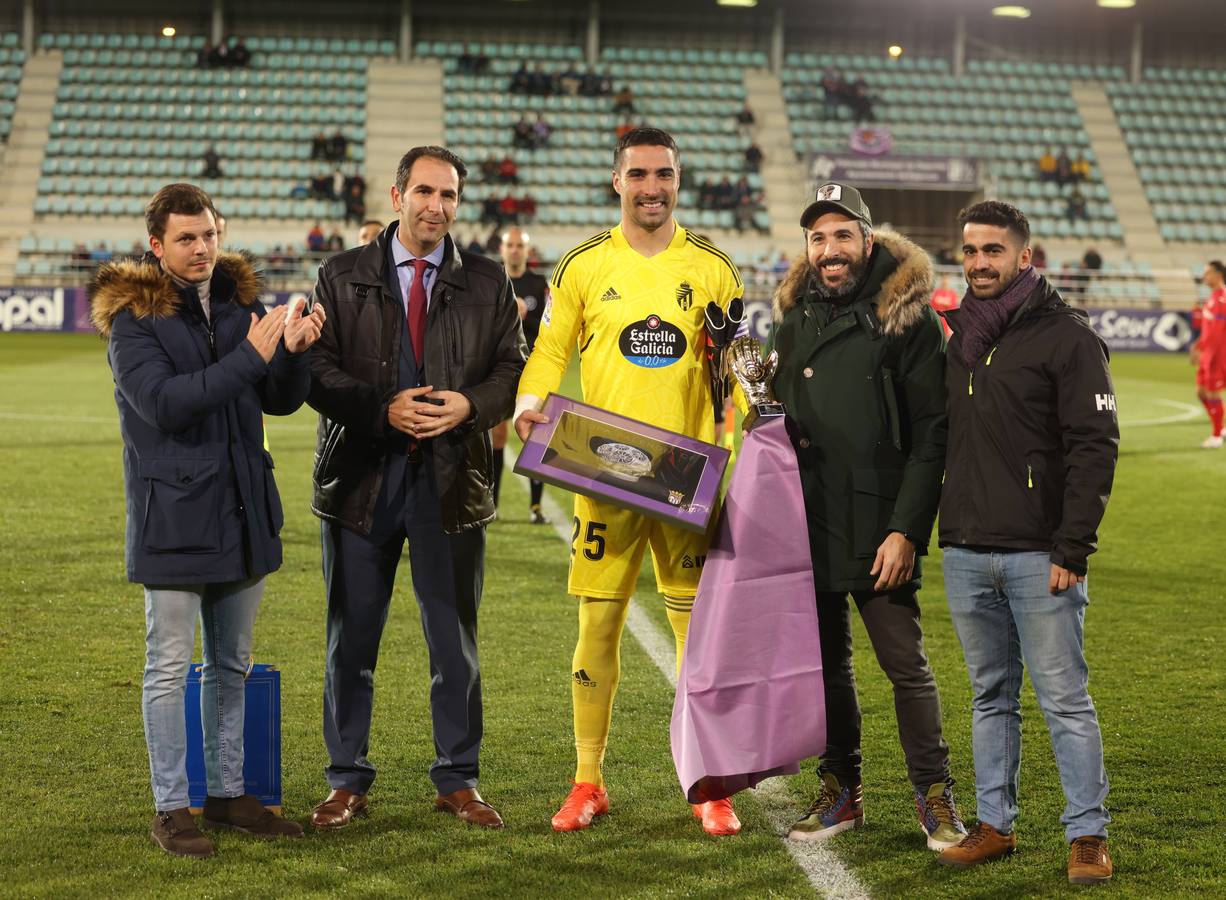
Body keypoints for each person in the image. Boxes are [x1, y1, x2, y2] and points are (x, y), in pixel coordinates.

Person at [513, 127, 746, 836]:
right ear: (616, 181)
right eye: (639, 174)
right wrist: (529, 401)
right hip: (601, 473)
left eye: (665, 174)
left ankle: (711, 785)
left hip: (684, 481)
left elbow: (733, 373)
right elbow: (551, 348)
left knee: (697, 636)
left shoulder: (712, 267)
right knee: (599, 625)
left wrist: (724, 440)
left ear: (680, 180)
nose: (653, 186)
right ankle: (588, 782)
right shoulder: (583, 264)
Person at [88, 183, 325, 858]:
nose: (202, 249)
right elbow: (165, 404)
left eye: (210, 235)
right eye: (187, 239)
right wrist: (251, 356)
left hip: (242, 509)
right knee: (167, 667)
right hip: (173, 518)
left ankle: (224, 794)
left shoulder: (236, 302)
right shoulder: (133, 319)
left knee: (231, 664)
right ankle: (171, 808)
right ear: (157, 246)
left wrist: (295, 352)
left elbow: (274, 400)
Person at [305, 146, 526, 832]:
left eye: (449, 195)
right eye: (424, 191)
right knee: (352, 639)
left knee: (453, 640)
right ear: (398, 194)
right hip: (362, 484)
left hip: (451, 481)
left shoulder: (488, 283)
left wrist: (470, 407)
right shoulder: (340, 276)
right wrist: (380, 408)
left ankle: (457, 779)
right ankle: (347, 780)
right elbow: (314, 369)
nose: (436, 205)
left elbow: (513, 371)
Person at [764, 182, 965, 851]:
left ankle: (934, 794)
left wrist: (906, 529)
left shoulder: (908, 317)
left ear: (867, 242)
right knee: (826, 669)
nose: (830, 250)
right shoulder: (792, 319)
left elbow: (933, 433)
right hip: (810, 521)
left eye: (842, 236)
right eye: (818, 238)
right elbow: (775, 421)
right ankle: (840, 789)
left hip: (881, 526)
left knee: (904, 665)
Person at [936, 200, 1118, 886]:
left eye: (993, 251)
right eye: (971, 250)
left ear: (1023, 258)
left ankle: (1088, 836)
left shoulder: (1067, 335)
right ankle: (995, 825)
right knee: (990, 697)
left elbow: (1095, 447)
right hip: (965, 548)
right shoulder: (961, 338)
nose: (979, 262)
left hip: (1043, 554)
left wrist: (1073, 547)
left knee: (1064, 698)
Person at [493, 226, 548, 522]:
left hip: (533, 371)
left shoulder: (539, 284)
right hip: (500, 369)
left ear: (527, 250)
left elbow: (551, 329)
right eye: (510, 245)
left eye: (519, 246)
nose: (514, 250)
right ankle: (493, 504)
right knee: (497, 435)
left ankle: (536, 507)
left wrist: (528, 315)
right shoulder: (493, 281)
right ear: (502, 249)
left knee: (535, 436)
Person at [1194, 260, 1226, 448]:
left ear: (1217, 274)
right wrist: (1198, 346)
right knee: (1201, 392)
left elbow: (1218, 332)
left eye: (1207, 273)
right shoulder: (1214, 297)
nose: (1204, 277)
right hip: (1208, 353)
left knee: (1213, 392)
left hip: (1217, 355)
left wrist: (1209, 355)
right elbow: (1208, 330)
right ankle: (1220, 427)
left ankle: (1216, 435)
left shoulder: (1222, 299)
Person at [930, 272, 959, 338]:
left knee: (946, 340)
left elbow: (953, 308)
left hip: (947, 321)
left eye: (946, 281)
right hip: (937, 320)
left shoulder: (952, 294)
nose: (944, 282)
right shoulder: (937, 292)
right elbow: (932, 306)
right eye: (943, 280)